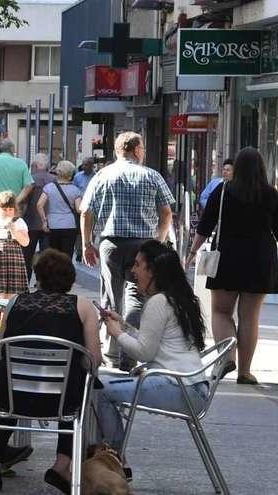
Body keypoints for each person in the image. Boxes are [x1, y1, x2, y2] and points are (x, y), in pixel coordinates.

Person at [0, 249, 101, 493]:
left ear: (38, 277)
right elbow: (93, 361)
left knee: (14, 377)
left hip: (13, 396)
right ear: (71, 279)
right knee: (79, 385)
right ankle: (62, 464)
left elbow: (2, 350)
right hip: (61, 401)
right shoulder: (83, 307)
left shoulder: (14, 302)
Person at [98, 241, 208, 458]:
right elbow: (153, 343)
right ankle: (111, 458)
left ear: (153, 270)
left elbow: (144, 353)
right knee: (100, 386)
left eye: (138, 265)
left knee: (98, 389)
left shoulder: (158, 302)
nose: (133, 270)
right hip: (191, 387)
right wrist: (124, 325)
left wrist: (116, 333)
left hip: (180, 388)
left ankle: (112, 459)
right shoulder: (174, 298)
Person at [80, 131, 174, 370]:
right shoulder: (151, 175)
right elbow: (166, 213)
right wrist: (158, 241)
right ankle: (128, 354)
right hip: (142, 245)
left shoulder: (102, 175)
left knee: (112, 295)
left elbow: (86, 211)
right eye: (142, 148)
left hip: (110, 243)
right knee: (135, 296)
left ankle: (111, 348)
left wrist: (86, 243)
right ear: (136, 150)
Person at [186, 148, 278, 385]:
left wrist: (194, 251)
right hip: (260, 258)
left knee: (221, 311)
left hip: (227, 256)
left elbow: (205, 225)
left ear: (236, 167)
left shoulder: (224, 190)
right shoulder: (270, 194)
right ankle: (245, 372)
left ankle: (227, 357)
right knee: (250, 317)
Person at [0, 191, 30, 299]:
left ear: (14, 210)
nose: (7, 212)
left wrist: (14, 230)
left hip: (14, 262)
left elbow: (26, 242)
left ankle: (10, 314)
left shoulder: (19, 222)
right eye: (4, 209)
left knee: (14, 296)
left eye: (10, 209)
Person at [38, 160, 82, 259]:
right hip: (70, 225)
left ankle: (54, 273)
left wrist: (44, 221)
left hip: (53, 225)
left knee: (53, 256)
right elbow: (79, 209)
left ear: (58, 172)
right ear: (71, 173)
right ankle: (66, 273)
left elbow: (39, 205)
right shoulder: (75, 190)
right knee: (67, 255)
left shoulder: (48, 188)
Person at [21, 153, 56, 279]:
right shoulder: (54, 180)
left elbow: (24, 201)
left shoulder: (30, 179)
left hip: (30, 222)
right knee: (46, 255)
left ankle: (26, 279)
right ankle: (43, 281)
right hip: (49, 222)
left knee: (27, 255)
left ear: (35, 165)